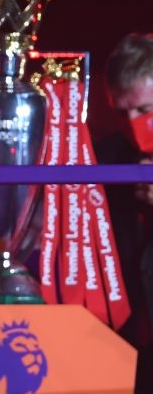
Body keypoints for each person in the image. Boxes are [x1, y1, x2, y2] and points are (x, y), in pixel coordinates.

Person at [97, 33, 153, 393]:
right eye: (123, 112)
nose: (133, 123)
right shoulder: (105, 157)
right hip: (125, 341)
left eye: (146, 111)